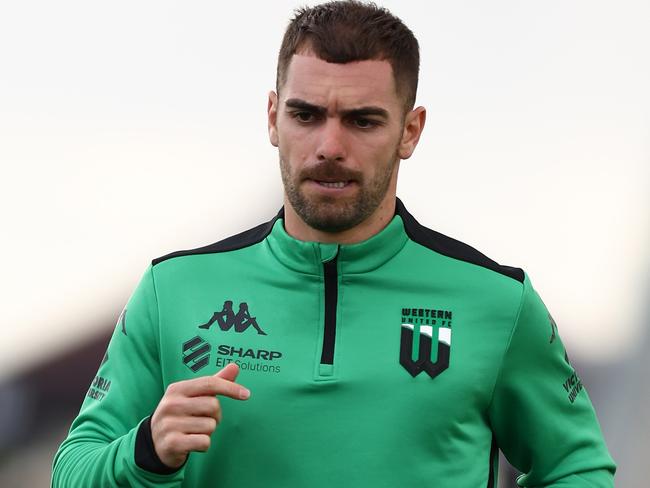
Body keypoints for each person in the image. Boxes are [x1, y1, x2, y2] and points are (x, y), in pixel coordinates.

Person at [52, 1, 616, 486]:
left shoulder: (497, 302)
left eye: (363, 121)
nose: (329, 145)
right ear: (274, 117)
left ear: (410, 131)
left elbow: (577, 468)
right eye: (307, 114)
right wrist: (144, 450)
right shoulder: (172, 291)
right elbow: (71, 469)